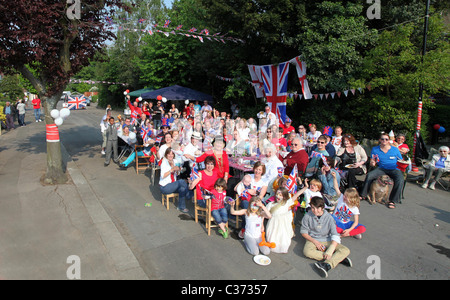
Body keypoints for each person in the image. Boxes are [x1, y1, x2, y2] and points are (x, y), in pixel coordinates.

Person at [300, 196, 352, 278]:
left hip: (326, 239)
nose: (315, 210)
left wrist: (330, 250)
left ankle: (327, 265)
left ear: (323, 207)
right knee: (307, 252)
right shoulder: (307, 216)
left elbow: (335, 234)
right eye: (313, 208)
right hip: (313, 239)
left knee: (346, 250)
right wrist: (315, 242)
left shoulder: (329, 218)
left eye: (318, 208)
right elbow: (303, 232)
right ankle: (337, 258)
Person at [360, 132, 404, 209]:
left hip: (393, 168)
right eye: (382, 139)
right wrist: (372, 163)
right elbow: (372, 160)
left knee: (400, 179)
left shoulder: (395, 150)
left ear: (389, 140)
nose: (384, 140)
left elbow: (401, 160)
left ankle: (393, 200)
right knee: (370, 175)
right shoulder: (375, 149)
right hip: (381, 168)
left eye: (386, 139)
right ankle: (363, 195)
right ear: (380, 140)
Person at [331, 172, 366, 239]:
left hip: (346, 223)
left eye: (346, 196)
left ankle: (346, 233)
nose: (344, 197)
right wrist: (334, 177)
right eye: (344, 195)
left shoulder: (355, 208)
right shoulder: (341, 198)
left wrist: (349, 230)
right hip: (335, 220)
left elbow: (356, 222)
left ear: (351, 198)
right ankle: (350, 233)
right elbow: (336, 187)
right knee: (330, 221)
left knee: (362, 228)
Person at [265, 186, 297, 253]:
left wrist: (305, 187)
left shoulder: (286, 203)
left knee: (282, 236)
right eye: (277, 194)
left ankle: (281, 247)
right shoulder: (271, 204)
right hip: (273, 223)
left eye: (280, 195)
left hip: (283, 224)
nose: (278, 196)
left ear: (284, 197)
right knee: (273, 235)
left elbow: (296, 195)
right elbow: (265, 214)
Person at [159, 147, 191, 213]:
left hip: (173, 185)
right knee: (181, 182)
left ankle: (181, 207)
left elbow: (178, 174)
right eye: (169, 154)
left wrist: (178, 170)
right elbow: (163, 176)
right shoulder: (164, 163)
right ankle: (188, 195)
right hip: (165, 186)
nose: (170, 155)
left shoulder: (175, 161)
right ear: (166, 155)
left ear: (174, 155)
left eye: (172, 154)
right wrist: (171, 170)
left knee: (182, 188)